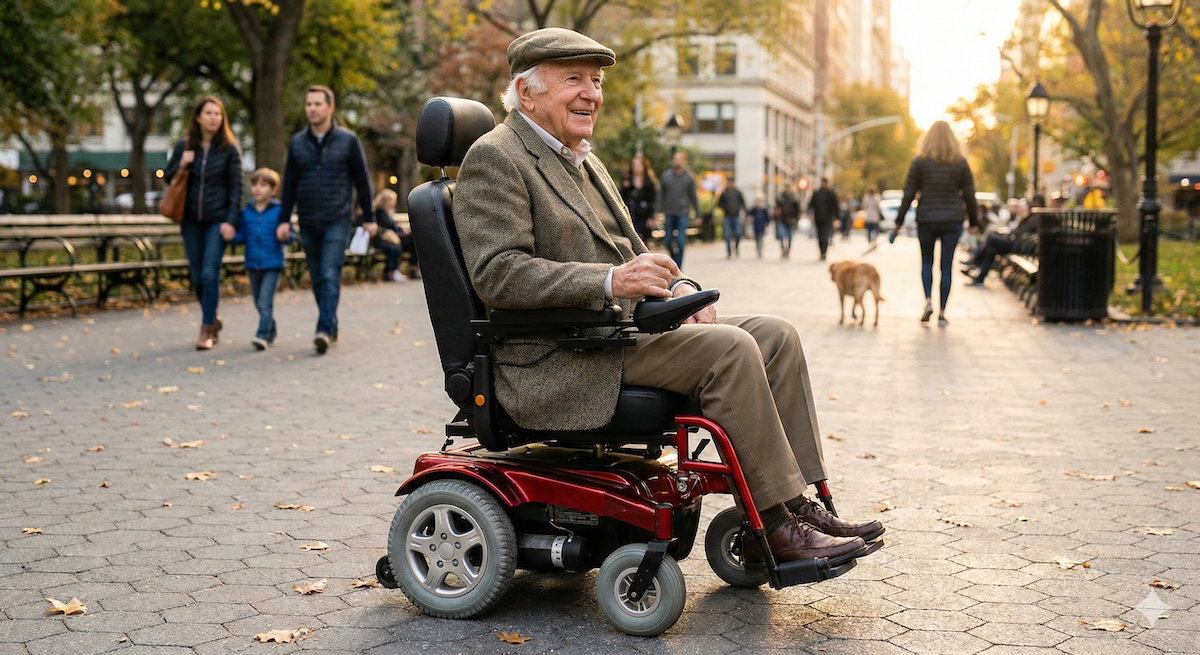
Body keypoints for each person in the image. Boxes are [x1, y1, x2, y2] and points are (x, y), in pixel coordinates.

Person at [454, 27, 882, 565]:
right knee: (729, 348)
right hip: (557, 353)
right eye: (574, 80)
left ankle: (801, 504)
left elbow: (635, 250)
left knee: (776, 335)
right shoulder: (496, 157)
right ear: (528, 91)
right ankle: (775, 524)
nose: (592, 93)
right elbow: (498, 274)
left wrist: (678, 287)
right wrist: (610, 283)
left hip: (613, 334)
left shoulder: (582, 159)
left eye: (596, 80)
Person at [279, 85, 375, 354]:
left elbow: (362, 181)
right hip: (308, 220)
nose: (311, 109)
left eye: (317, 104)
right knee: (317, 277)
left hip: (338, 218)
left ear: (330, 107)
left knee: (329, 272)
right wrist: (284, 219)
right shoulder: (298, 142)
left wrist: (368, 216)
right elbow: (288, 185)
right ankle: (330, 325)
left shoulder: (348, 140)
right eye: (308, 104)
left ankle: (322, 329)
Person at [164, 96, 243, 350]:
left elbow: (236, 188)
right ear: (198, 117)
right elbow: (168, 178)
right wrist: (182, 164)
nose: (213, 118)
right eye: (208, 113)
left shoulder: (230, 149)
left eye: (218, 114)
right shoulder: (184, 146)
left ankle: (206, 328)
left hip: (216, 221)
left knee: (210, 273)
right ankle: (213, 318)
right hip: (190, 221)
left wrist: (231, 221)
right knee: (197, 277)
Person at [891, 120, 979, 327]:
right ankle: (942, 312)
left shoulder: (920, 161)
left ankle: (928, 302)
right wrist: (974, 222)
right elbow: (969, 195)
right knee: (946, 266)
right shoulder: (960, 162)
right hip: (952, 219)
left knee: (927, 263)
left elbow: (909, 194)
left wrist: (898, 222)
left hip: (927, 218)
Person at [229, 168, 293, 350]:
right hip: (252, 262)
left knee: (265, 301)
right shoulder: (247, 211)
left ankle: (262, 335)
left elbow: (291, 235)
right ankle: (271, 328)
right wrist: (230, 236)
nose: (257, 189)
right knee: (258, 302)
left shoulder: (280, 211)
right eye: (255, 184)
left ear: (272, 190)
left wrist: (286, 235)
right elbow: (242, 236)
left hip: (272, 263)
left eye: (263, 185)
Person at [963, 193, 1043, 285]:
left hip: (1018, 246)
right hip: (1015, 243)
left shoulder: (1033, 219)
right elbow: (1014, 232)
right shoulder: (1025, 218)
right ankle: (979, 279)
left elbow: (1019, 234)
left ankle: (974, 262)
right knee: (991, 250)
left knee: (990, 238)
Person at [657, 150, 700, 269]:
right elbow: (661, 195)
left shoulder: (688, 178)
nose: (677, 162)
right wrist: (657, 210)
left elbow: (694, 197)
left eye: (680, 159)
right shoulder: (666, 176)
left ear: (684, 161)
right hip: (669, 212)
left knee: (680, 242)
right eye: (675, 159)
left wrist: (698, 215)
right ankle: (674, 258)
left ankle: (678, 268)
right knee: (667, 240)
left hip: (683, 212)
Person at [370, 189, 408, 282]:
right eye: (392, 200)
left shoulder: (388, 212)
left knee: (401, 245)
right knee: (394, 248)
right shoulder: (380, 212)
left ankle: (394, 271)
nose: (394, 203)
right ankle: (390, 272)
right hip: (379, 240)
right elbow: (390, 226)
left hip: (388, 239)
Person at [620, 154, 658, 244]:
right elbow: (621, 197)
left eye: (638, 165)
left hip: (644, 215)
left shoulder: (649, 182)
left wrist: (651, 217)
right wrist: (626, 187)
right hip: (631, 214)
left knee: (642, 240)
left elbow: (653, 201)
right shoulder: (627, 180)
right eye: (634, 164)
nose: (636, 167)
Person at [808, 177, 838, 260]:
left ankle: (824, 252)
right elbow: (811, 204)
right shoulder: (816, 193)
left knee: (826, 236)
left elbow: (836, 206)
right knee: (820, 237)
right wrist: (810, 214)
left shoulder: (831, 194)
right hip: (818, 218)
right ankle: (821, 252)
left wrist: (836, 218)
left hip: (828, 218)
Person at [717, 177, 747, 259]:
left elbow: (743, 203)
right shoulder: (724, 193)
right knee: (727, 235)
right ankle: (729, 252)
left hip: (736, 216)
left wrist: (745, 213)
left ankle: (736, 247)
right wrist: (725, 207)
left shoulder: (738, 193)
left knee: (738, 233)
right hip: (727, 216)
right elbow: (719, 204)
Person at [775, 187, 801, 259]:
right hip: (782, 220)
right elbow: (777, 208)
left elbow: (797, 210)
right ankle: (783, 249)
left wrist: (796, 219)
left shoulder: (794, 199)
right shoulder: (780, 198)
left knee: (789, 237)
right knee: (781, 235)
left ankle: (788, 250)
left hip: (791, 220)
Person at [750, 195, 771, 259]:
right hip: (756, 227)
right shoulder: (754, 210)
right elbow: (750, 215)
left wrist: (767, 223)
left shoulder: (764, 210)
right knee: (757, 239)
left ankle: (760, 250)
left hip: (762, 227)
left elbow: (767, 218)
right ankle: (758, 249)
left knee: (761, 239)